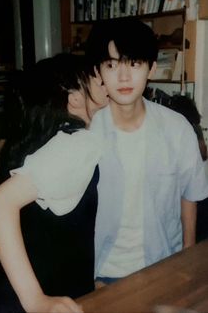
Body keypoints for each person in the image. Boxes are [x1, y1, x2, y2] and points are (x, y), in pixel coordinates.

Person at [0, 53, 108, 313]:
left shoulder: (42, 139)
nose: (103, 79)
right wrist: (35, 300)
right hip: (20, 304)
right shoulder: (77, 144)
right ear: (75, 97)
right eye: (93, 77)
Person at [85, 18, 208, 285]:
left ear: (151, 68)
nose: (124, 77)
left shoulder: (177, 129)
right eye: (111, 65)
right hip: (99, 271)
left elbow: (191, 194)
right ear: (98, 73)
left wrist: (186, 259)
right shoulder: (86, 132)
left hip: (163, 264)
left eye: (134, 63)